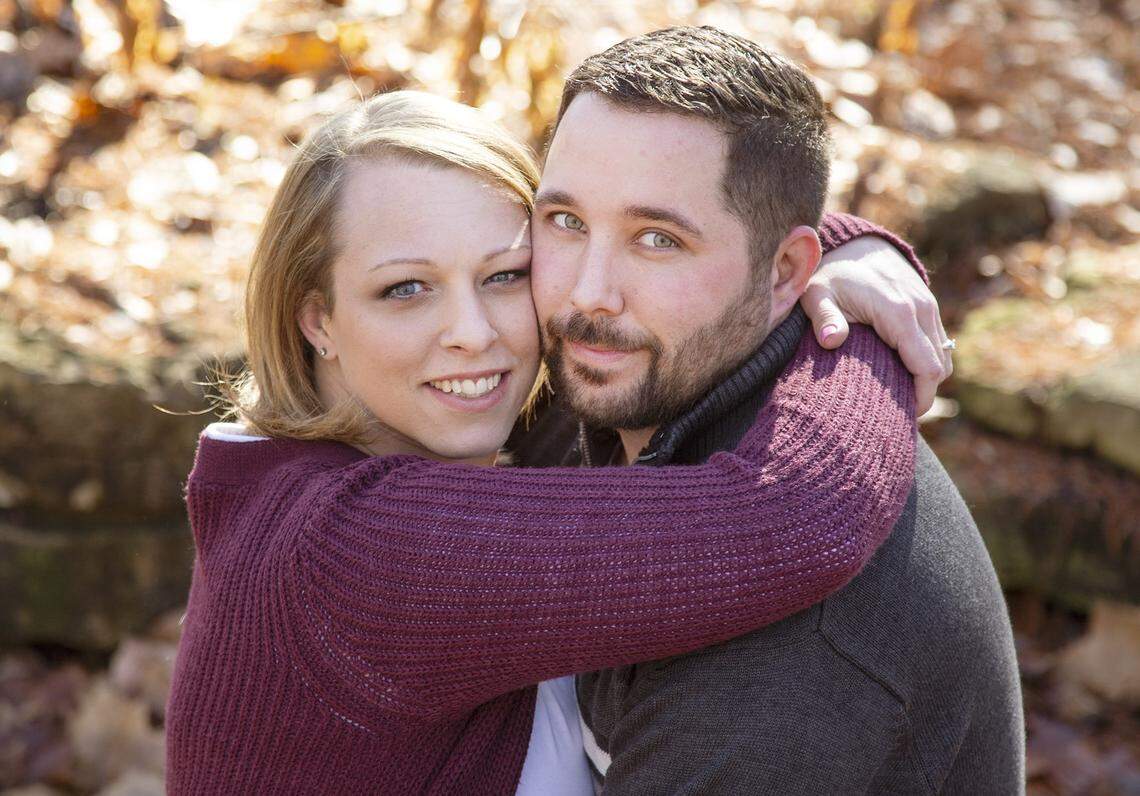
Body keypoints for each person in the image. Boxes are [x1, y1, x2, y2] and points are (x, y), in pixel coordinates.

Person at [164, 86, 935, 794]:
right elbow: (796, 514)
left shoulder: (435, 428)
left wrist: (834, 249)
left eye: (504, 275)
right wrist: (864, 334)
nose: (473, 334)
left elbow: (663, 262)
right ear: (317, 319)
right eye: (406, 289)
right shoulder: (355, 554)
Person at [515, 26, 1023, 794]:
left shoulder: (778, 682)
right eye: (566, 221)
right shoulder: (606, 375)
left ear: (786, 271)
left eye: (657, 240)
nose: (588, 291)